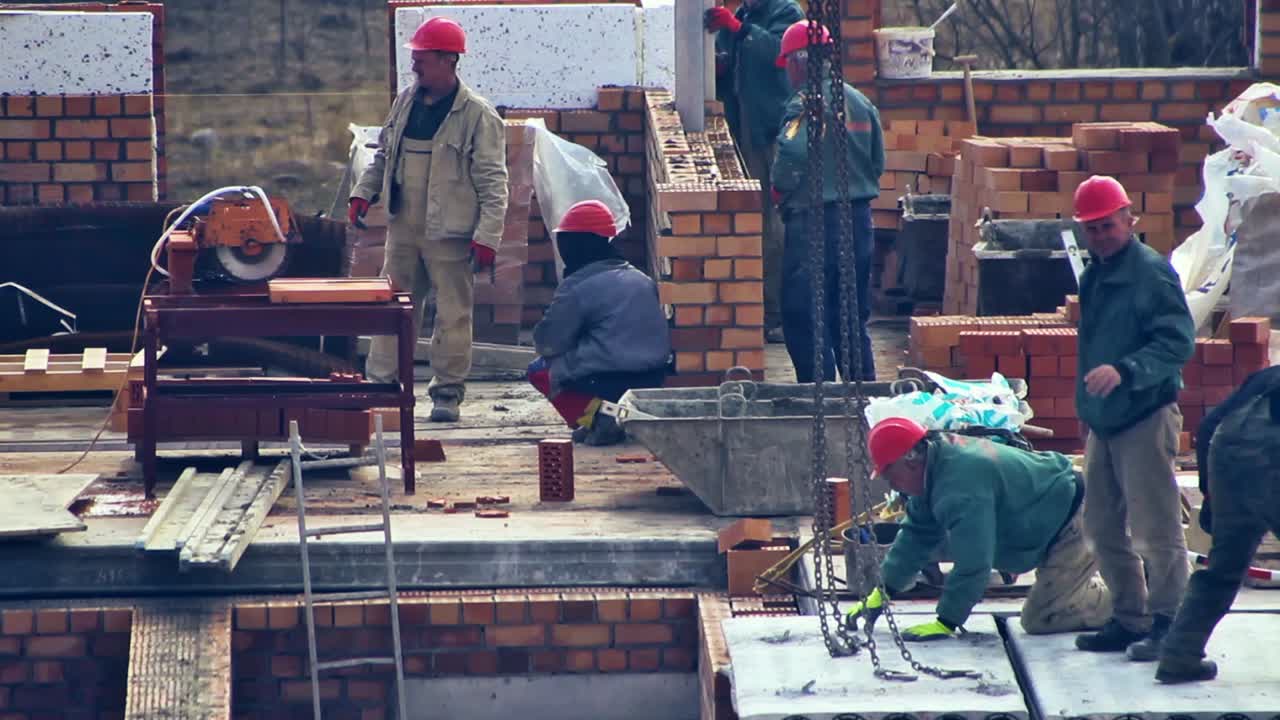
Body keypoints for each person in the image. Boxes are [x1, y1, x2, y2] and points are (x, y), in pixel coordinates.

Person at [349, 17, 509, 422]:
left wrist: (487, 236)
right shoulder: (406, 101)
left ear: (448, 61)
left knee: (453, 312)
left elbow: (494, 182)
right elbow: (383, 155)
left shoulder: (477, 115)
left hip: (450, 233)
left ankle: (447, 394)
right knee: (394, 308)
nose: (415, 66)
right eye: (415, 58)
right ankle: (384, 386)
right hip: (403, 228)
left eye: (422, 59)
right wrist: (362, 193)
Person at [1069, 175, 1196, 660]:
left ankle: (1170, 623)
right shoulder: (1095, 273)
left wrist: (1126, 371)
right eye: (1091, 228)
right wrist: (1090, 409)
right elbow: (1094, 345)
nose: (1100, 235)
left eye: (1108, 226)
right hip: (1106, 420)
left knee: (1156, 527)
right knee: (1100, 527)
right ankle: (1130, 617)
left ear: (1129, 220)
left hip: (1145, 413)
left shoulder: (1151, 274)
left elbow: (1177, 342)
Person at [844, 418, 1111, 640]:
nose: (892, 486)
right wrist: (882, 591)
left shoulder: (960, 486)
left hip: (1078, 518)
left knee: (1042, 617)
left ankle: (1135, 602)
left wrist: (947, 620)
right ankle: (1122, 580)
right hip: (1052, 520)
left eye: (890, 476)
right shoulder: (934, 464)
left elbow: (974, 561)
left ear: (911, 461)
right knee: (1053, 600)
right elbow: (915, 535)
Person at [771, 21, 884, 383]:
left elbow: (792, 151)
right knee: (849, 313)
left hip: (815, 222)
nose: (787, 72)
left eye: (788, 63)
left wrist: (779, 189)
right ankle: (862, 390)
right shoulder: (860, 102)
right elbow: (877, 162)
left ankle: (815, 390)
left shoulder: (804, 103)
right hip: (859, 219)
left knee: (804, 313)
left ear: (801, 62)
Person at [1155, 365, 1280, 683]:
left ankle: (1179, 655)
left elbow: (1209, 425)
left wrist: (1211, 493)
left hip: (1227, 460)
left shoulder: (1265, 377)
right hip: (1272, 460)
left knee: (1223, 570)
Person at [527, 200, 671, 446]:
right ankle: (614, 418)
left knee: (539, 370)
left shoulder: (578, 287)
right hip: (654, 378)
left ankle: (598, 418)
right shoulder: (641, 278)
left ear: (576, 245)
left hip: (607, 380)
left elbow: (548, 344)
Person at [706, 0, 802, 345]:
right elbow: (733, 61)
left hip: (773, 133)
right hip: (746, 131)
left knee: (772, 225)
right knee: (759, 223)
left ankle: (776, 314)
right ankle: (765, 309)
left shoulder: (785, 13)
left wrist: (738, 29)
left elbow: (778, 54)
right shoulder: (747, 13)